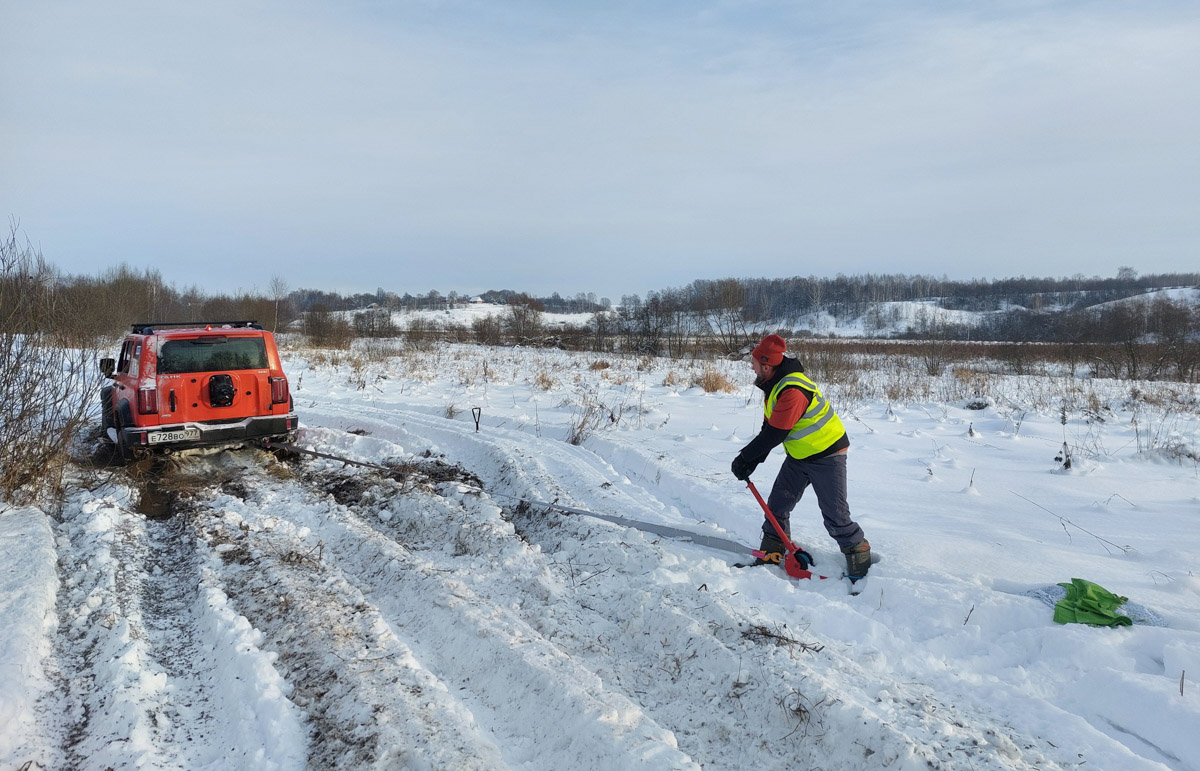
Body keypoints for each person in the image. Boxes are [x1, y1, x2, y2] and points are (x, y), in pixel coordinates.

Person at [730, 334, 872, 580]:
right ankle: (771, 555)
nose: (750, 367)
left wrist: (745, 457)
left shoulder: (792, 390)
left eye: (753, 363)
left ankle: (860, 561)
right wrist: (750, 461)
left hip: (828, 453)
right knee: (776, 507)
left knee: (835, 515)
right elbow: (769, 429)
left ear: (767, 365)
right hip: (800, 455)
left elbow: (777, 433)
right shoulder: (774, 384)